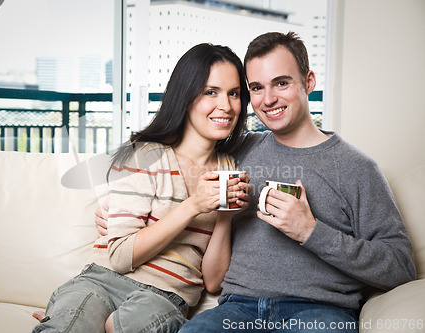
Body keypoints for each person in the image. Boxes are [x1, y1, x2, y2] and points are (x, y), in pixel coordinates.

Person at [96, 32, 416, 332]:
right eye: (257, 88)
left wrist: (310, 231)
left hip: (318, 312)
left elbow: (401, 267)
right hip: (236, 310)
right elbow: (180, 158)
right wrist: (119, 208)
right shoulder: (237, 151)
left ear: (309, 82)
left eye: (281, 83)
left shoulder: (357, 169)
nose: (269, 99)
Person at [31, 43, 251, 333]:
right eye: (211, 92)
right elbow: (121, 257)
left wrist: (225, 215)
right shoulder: (146, 155)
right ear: (186, 97)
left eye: (233, 93)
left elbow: (213, 282)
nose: (226, 105)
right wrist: (194, 205)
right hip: (101, 280)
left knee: (133, 325)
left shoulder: (228, 169)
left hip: (164, 297)